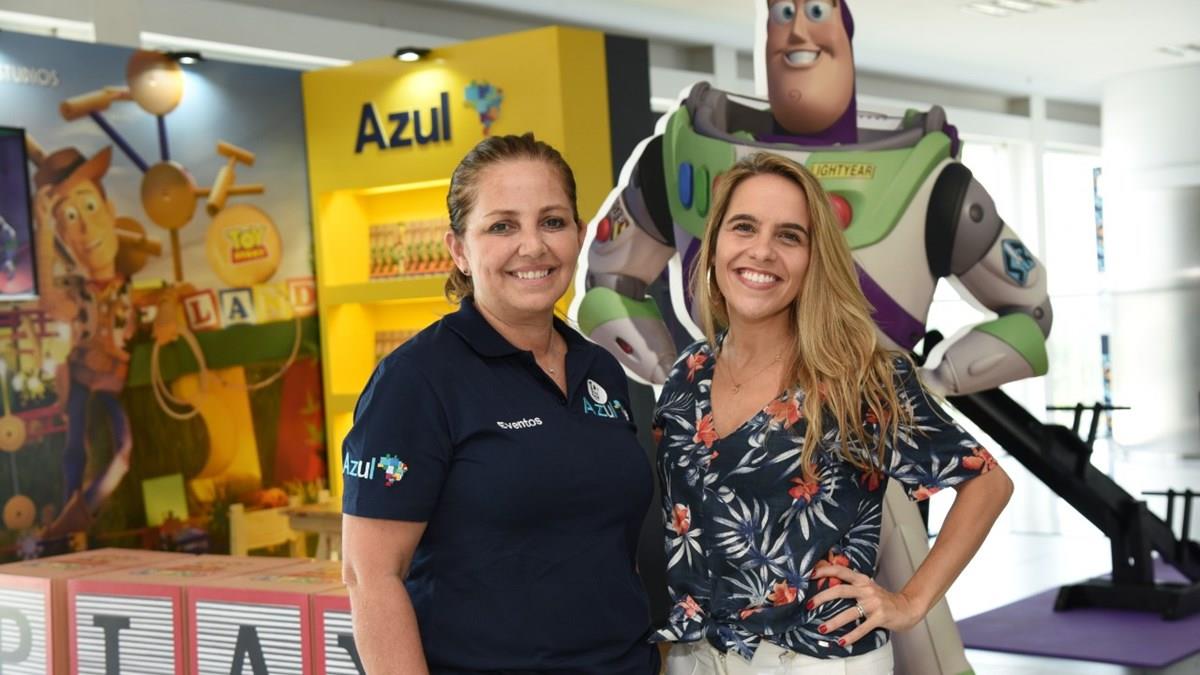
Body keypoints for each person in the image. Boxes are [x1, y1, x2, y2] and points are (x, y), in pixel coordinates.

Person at [654, 152, 1013, 674]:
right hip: (696, 658)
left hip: (813, 659)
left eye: (789, 236)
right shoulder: (688, 373)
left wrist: (909, 602)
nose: (762, 250)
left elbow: (987, 482)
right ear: (714, 245)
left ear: (813, 258)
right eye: (744, 227)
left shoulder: (857, 377)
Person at [340, 133, 660, 675]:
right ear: (459, 250)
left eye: (552, 222)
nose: (532, 246)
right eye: (502, 226)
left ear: (580, 235)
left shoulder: (600, 368)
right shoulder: (415, 381)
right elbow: (370, 576)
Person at [32, 146, 135, 538]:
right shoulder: (77, 291)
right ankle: (69, 512)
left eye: (89, 208)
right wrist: (44, 230)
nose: (86, 231)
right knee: (75, 447)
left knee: (122, 451)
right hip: (81, 378)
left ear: (109, 210)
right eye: (70, 219)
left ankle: (81, 510)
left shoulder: (127, 287)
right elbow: (50, 300)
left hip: (112, 382)